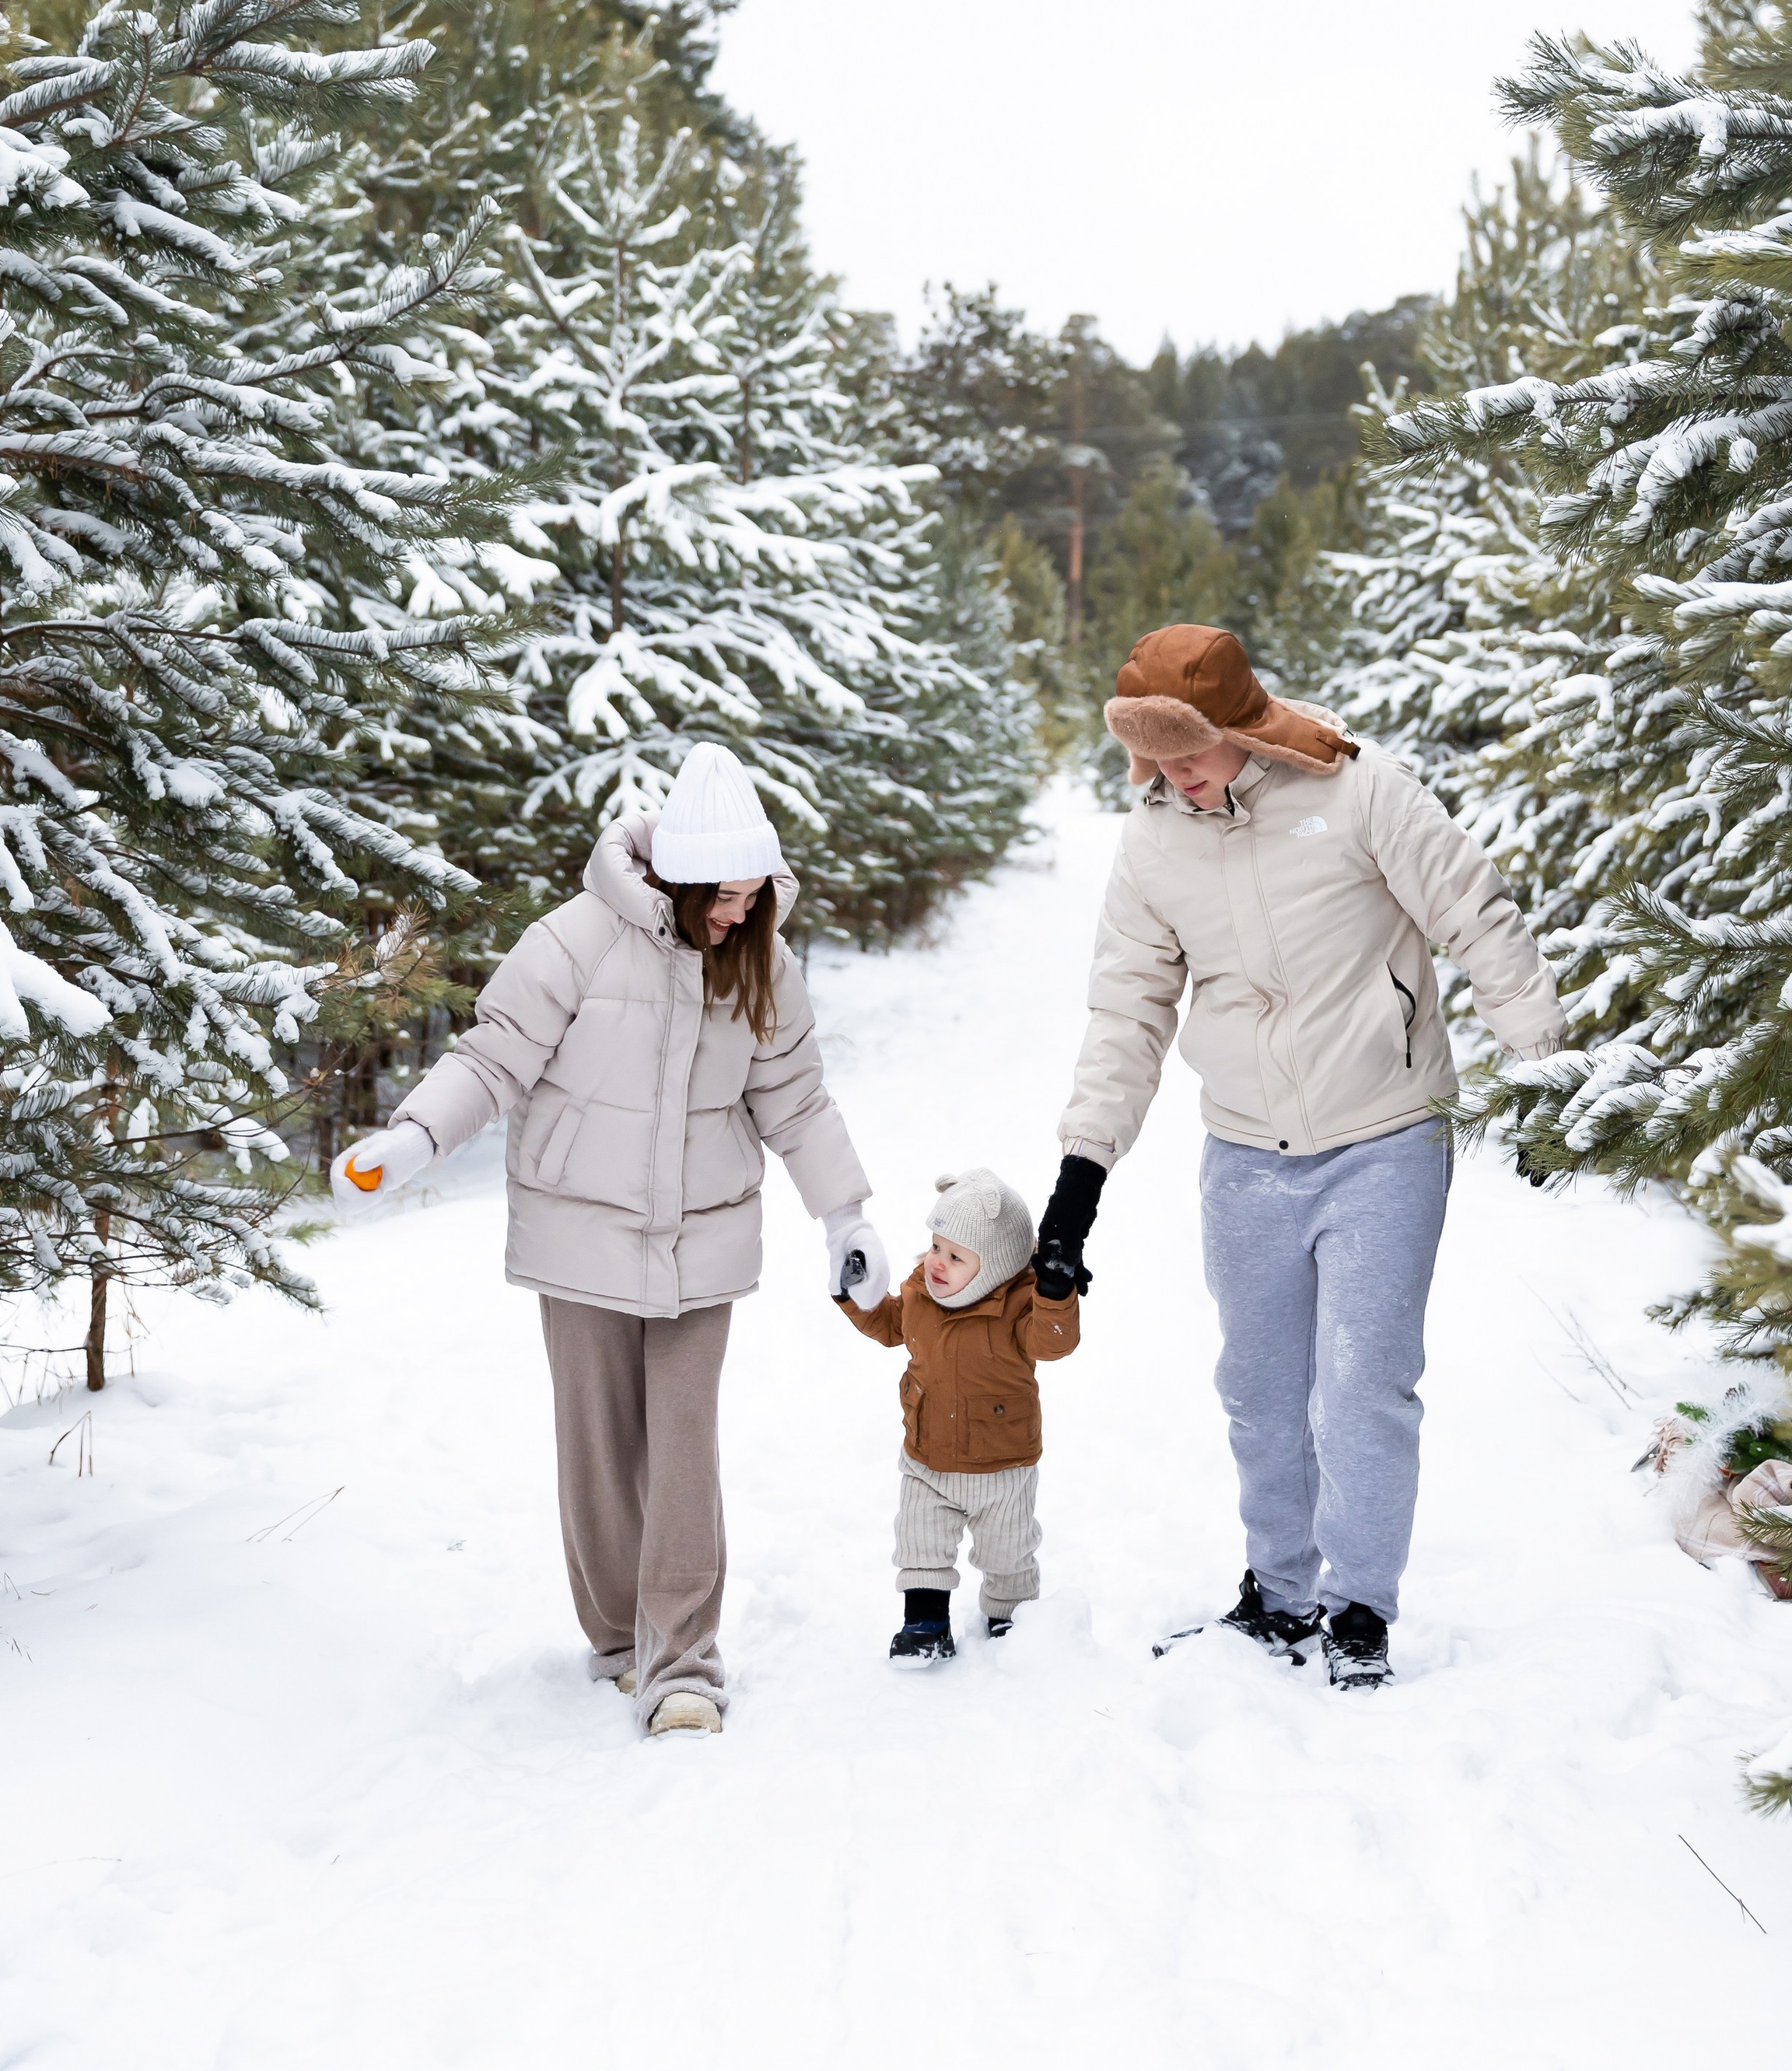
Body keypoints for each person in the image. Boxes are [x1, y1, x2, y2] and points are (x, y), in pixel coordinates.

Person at [1037, 625, 1563, 1689]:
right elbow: (1128, 1009)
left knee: (1365, 1382)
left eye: (1188, 752)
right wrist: (1080, 1175)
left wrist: (1542, 1068)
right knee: (1261, 1387)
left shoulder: (1361, 790)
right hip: (1245, 1151)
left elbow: (1476, 913)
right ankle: (1277, 1595)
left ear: (1242, 725)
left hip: (1387, 1132)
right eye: (1153, 759)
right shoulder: (1153, 842)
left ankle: (1359, 1605)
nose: (1173, 777)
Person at [331, 743, 891, 1739]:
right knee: (597, 1448)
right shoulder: (574, 941)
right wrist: (414, 1137)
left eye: (754, 896)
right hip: (578, 1229)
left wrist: (844, 1215)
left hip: (703, 1237)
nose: (737, 913)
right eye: (722, 895)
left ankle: (682, 1662)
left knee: (681, 1448)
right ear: (672, 879)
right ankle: (618, 1642)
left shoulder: (762, 956)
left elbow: (796, 1101)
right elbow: (492, 1058)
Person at [837, 1167, 1080, 1663]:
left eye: (955, 1256)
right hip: (928, 1454)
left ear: (993, 1267)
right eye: (935, 1246)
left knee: (1007, 1553)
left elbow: (1054, 1345)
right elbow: (890, 1326)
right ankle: (924, 1625)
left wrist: (1056, 1296)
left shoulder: (1019, 1307)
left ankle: (1010, 1619)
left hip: (1003, 1464)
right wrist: (855, 1297)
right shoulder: (920, 1293)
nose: (937, 1263)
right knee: (919, 1540)